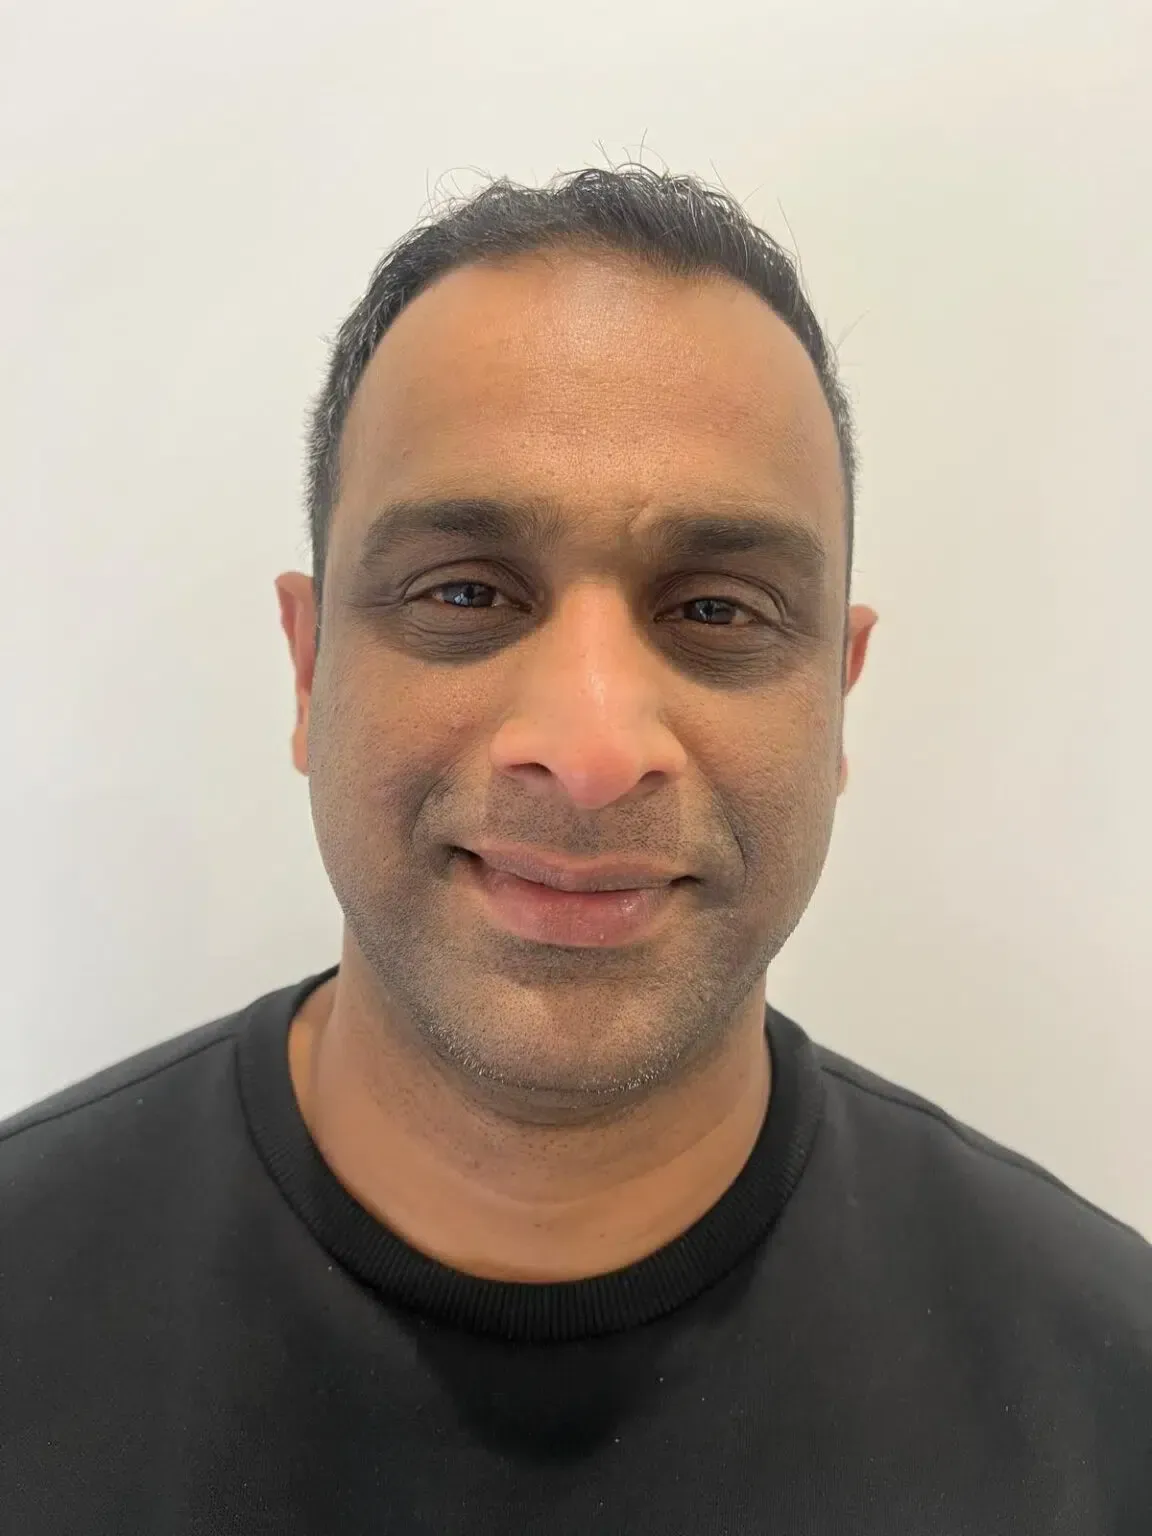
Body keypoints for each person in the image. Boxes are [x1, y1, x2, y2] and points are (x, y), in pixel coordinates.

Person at [2, 166, 1148, 1534]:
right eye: (467, 591)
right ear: (308, 671)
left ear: (838, 696)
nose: (592, 749)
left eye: (717, 610)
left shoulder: (1108, 1401)